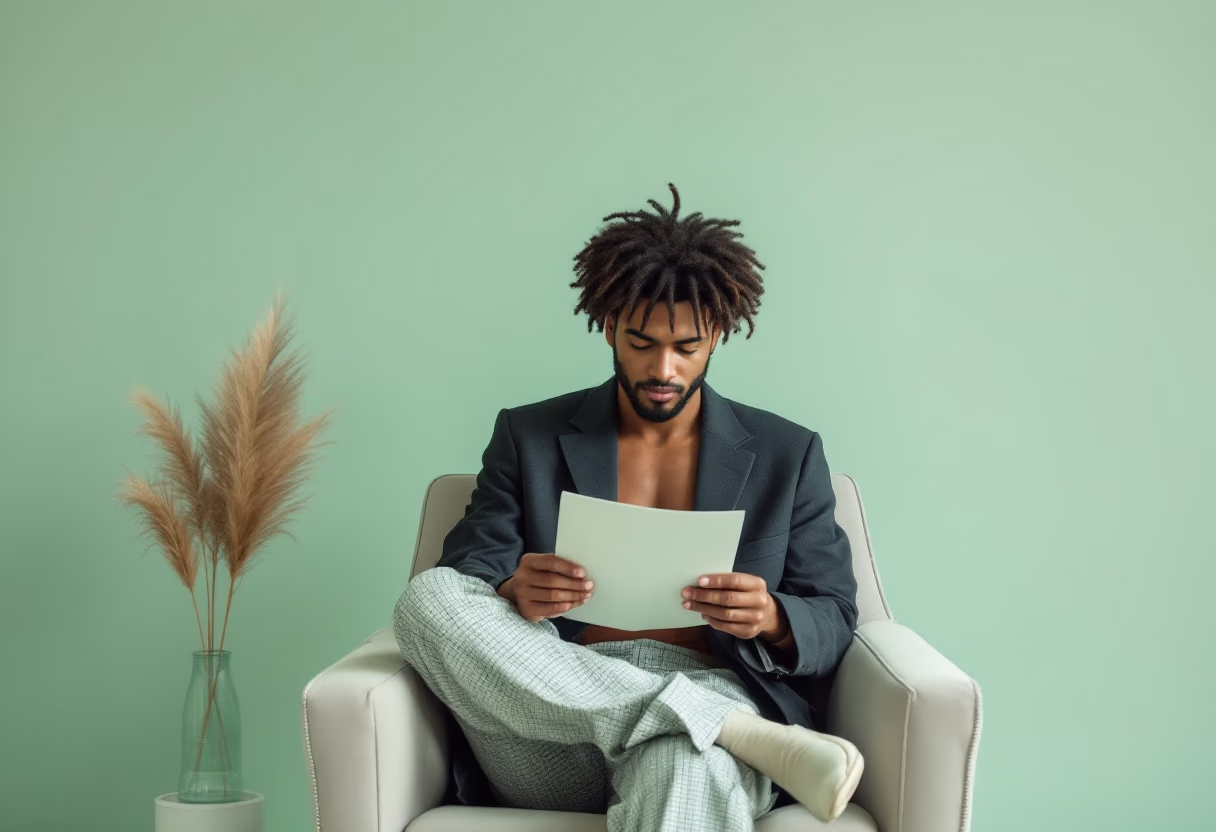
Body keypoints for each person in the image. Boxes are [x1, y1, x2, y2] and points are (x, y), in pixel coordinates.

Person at [393, 183, 863, 830]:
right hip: (550, 713)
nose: (662, 368)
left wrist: (774, 618)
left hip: (708, 692)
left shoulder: (789, 455)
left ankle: (706, 722)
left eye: (686, 347)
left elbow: (835, 616)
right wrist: (510, 588)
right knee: (428, 599)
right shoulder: (526, 437)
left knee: (686, 764)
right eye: (641, 343)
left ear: (718, 336)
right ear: (609, 325)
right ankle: (725, 729)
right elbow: (469, 569)